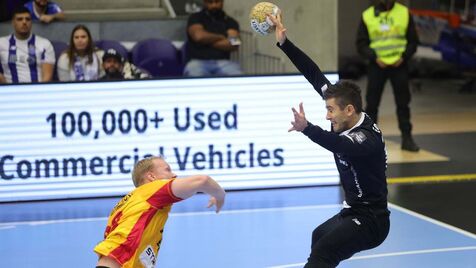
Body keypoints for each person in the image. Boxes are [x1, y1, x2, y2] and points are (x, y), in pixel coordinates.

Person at [268, 13, 390, 268]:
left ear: (349, 110)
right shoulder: (343, 107)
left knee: (324, 251)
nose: (327, 115)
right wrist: (284, 42)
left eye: (331, 111)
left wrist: (307, 128)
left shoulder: (366, 139)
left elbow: (340, 145)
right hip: (353, 211)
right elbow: (313, 73)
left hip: (372, 221)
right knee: (320, 237)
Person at [94, 156, 225, 268]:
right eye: (167, 170)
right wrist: (220, 195)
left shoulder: (127, 203)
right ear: (151, 176)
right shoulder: (151, 190)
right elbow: (202, 181)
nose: (174, 175)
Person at [356, 0, 420, 152]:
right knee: (372, 104)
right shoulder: (368, 15)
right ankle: (369, 140)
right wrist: (374, 57)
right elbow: (361, 44)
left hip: (399, 65)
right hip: (377, 65)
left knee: (403, 103)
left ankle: (407, 138)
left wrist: (404, 57)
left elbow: (413, 41)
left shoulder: (404, 13)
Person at [184, 0, 242, 77]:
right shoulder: (195, 18)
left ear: (222, 2)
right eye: (210, 2)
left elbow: (235, 44)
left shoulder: (230, 21)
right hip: (198, 61)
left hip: (224, 62)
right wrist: (221, 37)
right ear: (205, 2)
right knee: (196, 78)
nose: (214, 5)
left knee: (238, 78)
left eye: (217, 2)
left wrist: (205, 41)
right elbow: (199, 36)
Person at [0, 6, 54, 83]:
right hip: (9, 92)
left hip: (37, 91)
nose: (24, 22)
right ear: (13, 22)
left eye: (27, 19)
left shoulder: (44, 44)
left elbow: (47, 77)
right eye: (20, 19)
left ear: (31, 22)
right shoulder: (1, 43)